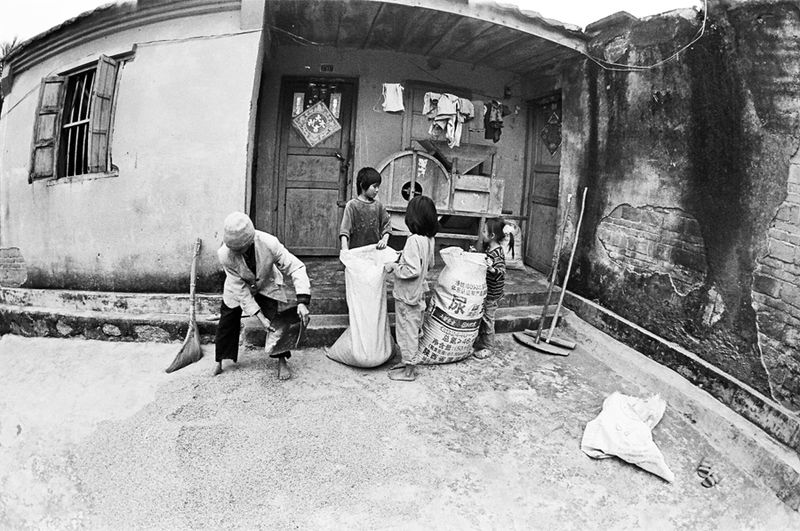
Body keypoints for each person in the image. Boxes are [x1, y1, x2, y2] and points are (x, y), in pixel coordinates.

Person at [214, 212, 311, 379]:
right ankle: (220, 360)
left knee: (275, 321)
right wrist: (259, 317)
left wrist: (302, 301)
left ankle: (281, 360)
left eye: (242, 248)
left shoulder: (269, 243)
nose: (238, 253)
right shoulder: (224, 254)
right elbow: (241, 291)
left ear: (250, 240)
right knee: (227, 319)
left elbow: (296, 267)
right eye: (235, 250)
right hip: (238, 287)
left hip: (266, 282)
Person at [385, 195, 438, 381]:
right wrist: (404, 256)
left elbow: (412, 270)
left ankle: (409, 371)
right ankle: (407, 362)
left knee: (406, 332)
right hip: (418, 294)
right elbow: (429, 264)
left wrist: (395, 267)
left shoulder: (413, 240)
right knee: (413, 330)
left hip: (407, 296)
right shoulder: (429, 239)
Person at [473, 217, 507, 359]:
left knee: (488, 319)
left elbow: (501, 271)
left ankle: (488, 347)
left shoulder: (497, 253)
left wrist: (492, 269)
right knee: (483, 316)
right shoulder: (489, 249)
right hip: (487, 291)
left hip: (493, 294)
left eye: (484, 231)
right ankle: (481, 341)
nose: (482, 233)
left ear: (492, 235)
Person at [339, 167, 392, 251]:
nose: (377, 190)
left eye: (378, 187)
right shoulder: (352, 205)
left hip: (375, 252)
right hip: (356, 253)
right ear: (362, 185)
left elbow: (387, 227)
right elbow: (344, 231)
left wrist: (384, 240)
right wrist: (345, 249)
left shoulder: (379, 206)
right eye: (374, 186)